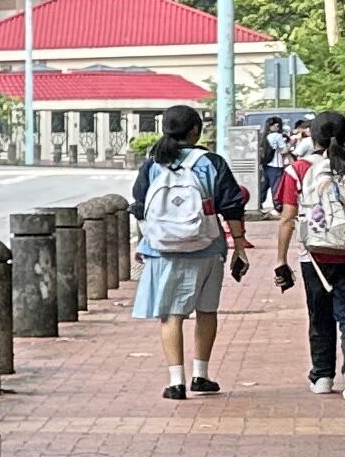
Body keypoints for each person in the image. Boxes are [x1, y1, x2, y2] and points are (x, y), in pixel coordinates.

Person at [132, 103, 254, 398]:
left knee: (171, 316)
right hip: (208, 248)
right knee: (206, 310)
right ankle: (201, 375)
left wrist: (143, 242)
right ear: (196, 131)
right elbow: (232, 206)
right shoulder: (211, 162)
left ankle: (176, 381)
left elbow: (138, 205)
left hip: (162, 250)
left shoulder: (153, 163)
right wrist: (239, 246)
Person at [282, 113, 345, 394]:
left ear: (313, 137)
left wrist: (280, 260)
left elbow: (287, 218)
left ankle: (322, 376)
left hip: (314, 255)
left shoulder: (298, 169)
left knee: (319, 315)